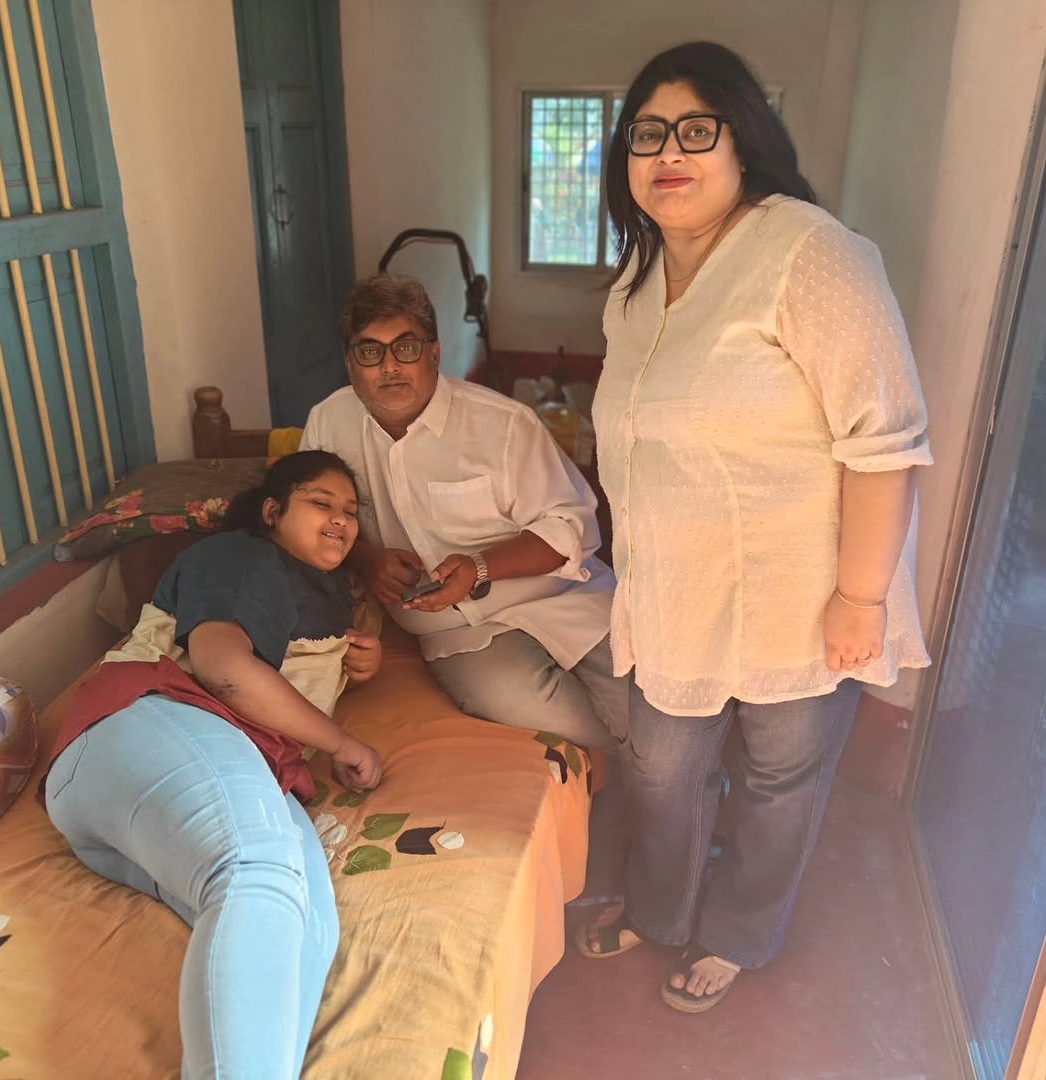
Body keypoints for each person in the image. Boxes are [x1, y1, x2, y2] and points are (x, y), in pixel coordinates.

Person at [578, 41, 932, 1013]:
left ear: (745, 141)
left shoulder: (809, 254)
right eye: (647, 134)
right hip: (677, 591)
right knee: (661, 770)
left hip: (801, 596)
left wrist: (861, 598)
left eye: (696, 129)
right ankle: (662, 909)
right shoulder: (636, 280)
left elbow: (886, 443)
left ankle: (740, 934)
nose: (669, 152)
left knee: (779, 779)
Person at [41, 451, 383, 1077]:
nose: (341, 519)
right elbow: (225, 671)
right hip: (145, 721)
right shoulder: (239, 557)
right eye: (321, 503)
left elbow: (285, 680)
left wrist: (360, 664)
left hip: (198, 776)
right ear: (273, 511)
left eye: (351, 512)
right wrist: (342, 743)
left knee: (309, 924)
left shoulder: (330, 592)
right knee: (257, 870)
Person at [299, 274, 625, 757]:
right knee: (586, 731)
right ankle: (622, 783)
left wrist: (479, 567)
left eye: (406, 347)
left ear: (434, 353)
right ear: (349, 363)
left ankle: (667, 784)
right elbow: (306, 522)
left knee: (650, 712)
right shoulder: (328, 423)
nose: (390, 366)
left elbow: (572, 527)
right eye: (370, 351)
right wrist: (366, 560)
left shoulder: (503, 425)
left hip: (564, 598)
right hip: (460, 635)